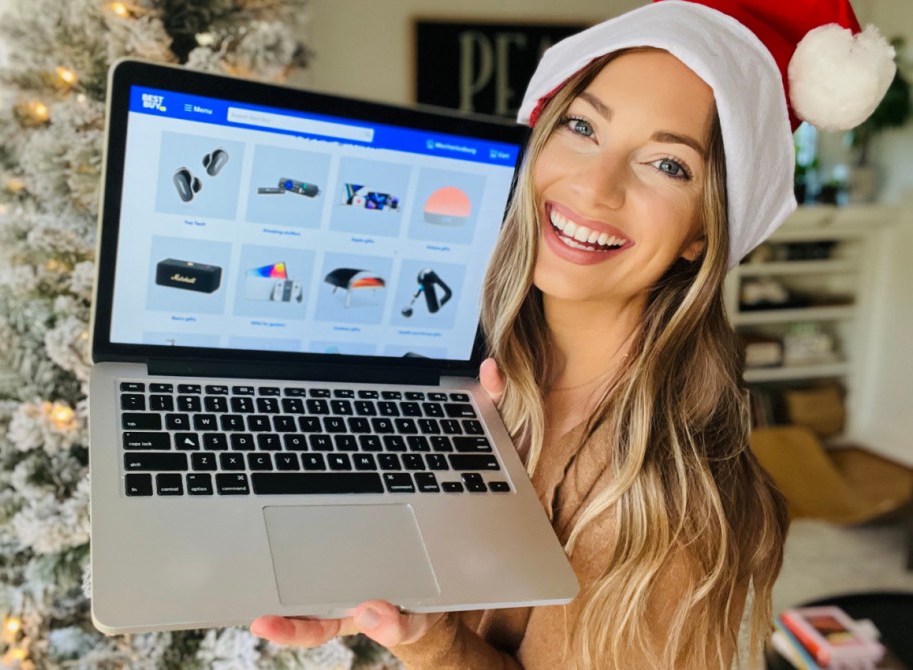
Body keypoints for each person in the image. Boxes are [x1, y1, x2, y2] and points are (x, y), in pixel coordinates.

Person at [251, 1, 896, 667]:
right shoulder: (468, 356)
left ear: (704, 230)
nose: (594, 185)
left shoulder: (665, 516)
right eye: (583, 126)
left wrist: (428, 640)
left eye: (667, 164)